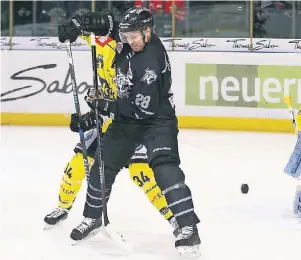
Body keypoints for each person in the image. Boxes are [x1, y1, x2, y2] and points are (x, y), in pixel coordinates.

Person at [67, 7, 201, 257]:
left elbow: (141, 110)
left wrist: (103, 105)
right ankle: (92, 217)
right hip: (127, 118)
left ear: (148, 31)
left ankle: (188, 228)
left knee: (164, 169)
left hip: (156, 120)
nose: (129, 41)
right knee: (102, 165)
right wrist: (82, 24)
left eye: (134, 37)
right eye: (126, 36)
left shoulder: (150, 62)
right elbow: (109, 26)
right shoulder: (132, 38)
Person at [43, 13, 180, 236]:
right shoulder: (101, 42)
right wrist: (74, 26)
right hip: (111, 122)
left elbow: (131, 107)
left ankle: (176, 219)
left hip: (137, 123)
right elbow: (93, 25)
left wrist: (96, 114)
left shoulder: (134, 58)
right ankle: (66, 208)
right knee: (78, 164)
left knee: (141, 173)